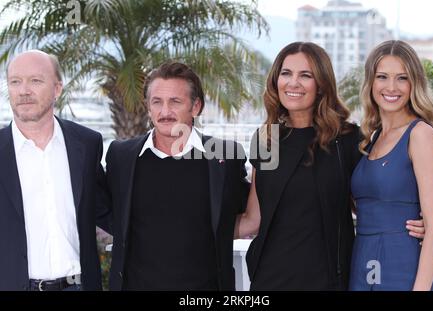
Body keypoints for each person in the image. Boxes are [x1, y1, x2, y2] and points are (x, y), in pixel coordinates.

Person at [235, 42, 426, 290]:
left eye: (306, 75)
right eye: (286, 73)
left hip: (328, 280)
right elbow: (253, 219)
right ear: (275, 80)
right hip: (270, 278)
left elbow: (370, 201)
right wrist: (191, 228)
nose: (293, 83)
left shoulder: (348, 139)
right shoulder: (265, 139)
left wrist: (415, 222)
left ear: (322, 84)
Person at [106, 61, 249, 290]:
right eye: (157, 102)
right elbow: (106, 212)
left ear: (195, 107)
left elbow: (246, 212)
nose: (165, 112)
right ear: (148, 107)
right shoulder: (121, 157)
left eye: (175, 102)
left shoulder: (225, 158)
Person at [0, 50, 111, 291]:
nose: (24, 90)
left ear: (57, 88)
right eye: (15, 81)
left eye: (36, 80)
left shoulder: (87, 144)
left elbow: (106, 210)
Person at [349, 40, 433, 291]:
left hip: (401, 264)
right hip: (363, 260)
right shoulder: (371, 138)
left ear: (414, 84)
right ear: (371, 83)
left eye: (402, 78)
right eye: (382, 77)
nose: (391, 87)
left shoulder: (420, 134)